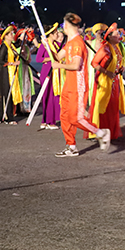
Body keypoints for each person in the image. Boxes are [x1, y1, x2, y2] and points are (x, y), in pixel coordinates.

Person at [50, 13, 111, 157]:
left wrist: (59, 65)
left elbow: (76, 65)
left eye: (64, 24)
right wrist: (48, 43)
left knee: (75, 118)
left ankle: (101, 133)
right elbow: (57, 57)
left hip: (77, 85)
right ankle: (71, 146)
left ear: (68, 25)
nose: (62, 27)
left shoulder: (77, 43)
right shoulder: (70, 43)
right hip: (68, 85)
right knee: (64, 116)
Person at [89, 23, 125, 142]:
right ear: (109, 36)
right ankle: (97, 130)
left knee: (112, 106)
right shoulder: (105, 48)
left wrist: (119, 69)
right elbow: (94, 63)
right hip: (103, 81)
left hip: (114, 80)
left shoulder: (117, 48)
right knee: (101, 105)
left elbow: (117, 62)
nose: (119, 36)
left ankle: (110, 130)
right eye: (116, 34)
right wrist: (106, 72)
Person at [36, 23, 62, 130]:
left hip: (55, 73)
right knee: (47, 97)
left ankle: (49, 120)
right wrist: (50, 59)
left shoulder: (56, 45)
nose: (57, 34)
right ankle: (47, 121)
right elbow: (38, 59)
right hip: (47, 72)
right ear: (50, 34)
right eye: (55, 33)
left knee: (54, 96)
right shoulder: (44, 45)